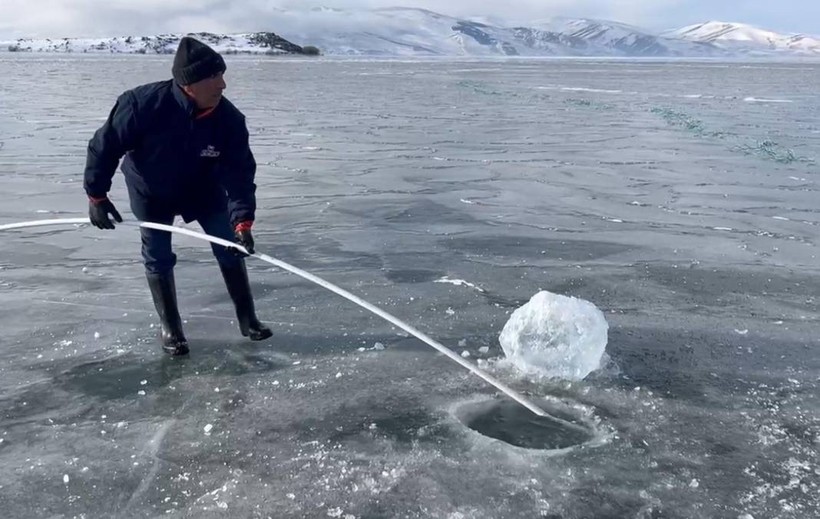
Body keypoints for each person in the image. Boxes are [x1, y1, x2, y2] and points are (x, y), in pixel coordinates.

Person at [83, 36, 272, 356]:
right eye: (214, 77)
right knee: (157, 254)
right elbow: (105, 147)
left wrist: (242, 219)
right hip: (151, 192)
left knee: (230, 247)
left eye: (222, 74)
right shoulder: (141, 105)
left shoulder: (229, 119)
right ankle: (171, 329)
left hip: (204, 190)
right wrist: (97, 195)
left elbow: (239, 173)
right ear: (189, 84)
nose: (222, 84)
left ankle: (248, 319)